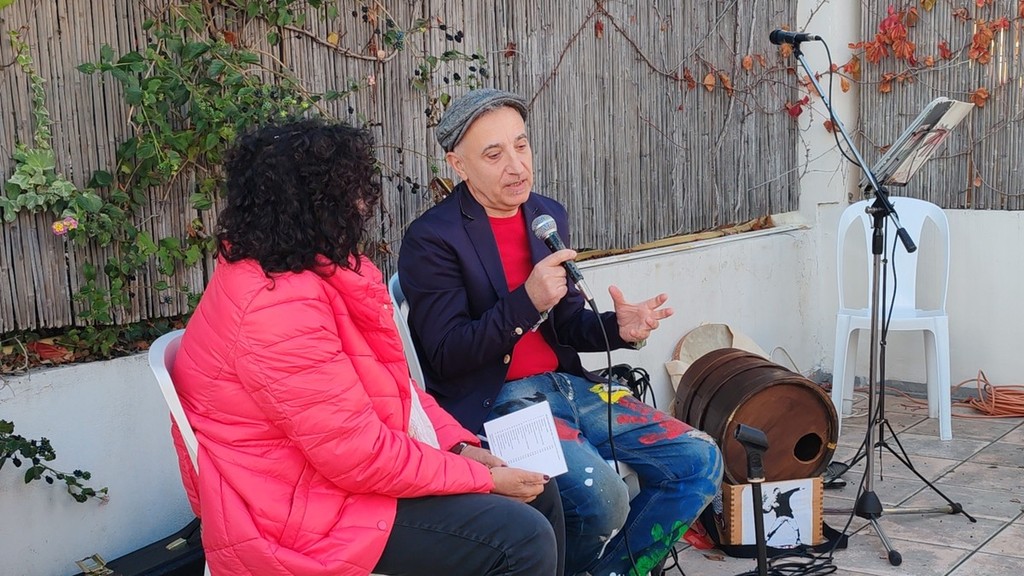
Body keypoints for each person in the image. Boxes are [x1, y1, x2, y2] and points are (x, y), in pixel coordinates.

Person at [169, 119, 564, 576]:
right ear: (312, 204)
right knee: (522, 538)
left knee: (541, 491)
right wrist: (483, 478)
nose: (362, 204)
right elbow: (357, 456)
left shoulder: (308, 270)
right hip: (297, 511)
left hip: (326, 478)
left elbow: (397, 390)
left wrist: (460, 448)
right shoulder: (276, 306)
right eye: (351, 191)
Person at [398, 89, 724, 576]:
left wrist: (621, 328)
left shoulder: (545, 216)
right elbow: (446, 354)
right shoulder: (432, 239)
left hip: (569, 387)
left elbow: (568, 323)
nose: (517, 166)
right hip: (500, 403)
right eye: (494, 154)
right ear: (458, 165)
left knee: (700, 459)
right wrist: (526, 301)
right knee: (603, 500)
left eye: (521, 145)